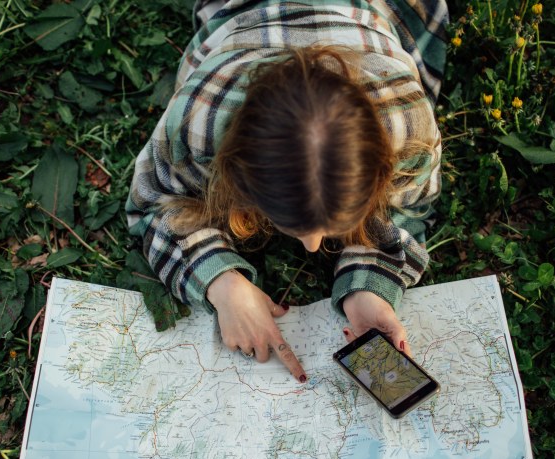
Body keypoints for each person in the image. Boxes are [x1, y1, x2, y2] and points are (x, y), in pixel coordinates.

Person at [126, 0, 449, 383]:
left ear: (382, 167)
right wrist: (222, 285)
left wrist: (369, 289)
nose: (313, 247)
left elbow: (409, 207)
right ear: (236, 173)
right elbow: (153, 202)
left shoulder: (408, 127)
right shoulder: (200, 120)